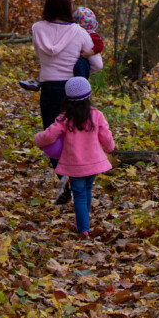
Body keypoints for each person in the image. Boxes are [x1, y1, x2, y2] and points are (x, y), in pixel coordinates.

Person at [31, 0, 102, 203]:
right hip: (73, 91)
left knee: (52, 136)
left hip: (49, 89)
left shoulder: (37, 29)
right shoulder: (79, 32)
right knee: (74, 133)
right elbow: (97, 64)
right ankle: (77, 177)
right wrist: (82, 65)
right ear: (68, 7)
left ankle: (63, 177)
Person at [34, 76, 115, 237]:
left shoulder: (64, 118)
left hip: (75, 164)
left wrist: (38, 139)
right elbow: (106, 136)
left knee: (78, 193)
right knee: (87, 190)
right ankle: (85, 221)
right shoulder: (96, 115)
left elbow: (50, 135)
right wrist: (110, 147)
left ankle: (84, 228)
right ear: (89, 96)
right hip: (94, 163)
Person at [72, 6, 105, 79]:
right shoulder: (74, 34)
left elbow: (100, 45)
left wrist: (90, 52)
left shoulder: (92, 35)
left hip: (86, 60)